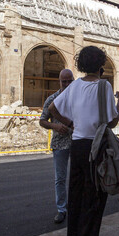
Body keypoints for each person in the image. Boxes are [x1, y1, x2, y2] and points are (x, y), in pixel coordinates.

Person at [49, 46, 119, 236]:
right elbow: (111, 122)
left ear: (81, 64)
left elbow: (53, 108)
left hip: (77, 146)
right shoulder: (104, 86)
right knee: (93, 204)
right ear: (101, 64)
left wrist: (72, 124)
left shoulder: (74, 86)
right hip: (96, 148)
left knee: (76, 201)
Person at [39, 69, 75, 224]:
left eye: (69, 81)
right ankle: (61, 209)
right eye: (63, 81)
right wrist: (55, 126)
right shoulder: (52, 99)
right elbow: (42, 120)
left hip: (77, 142)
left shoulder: (78, 99)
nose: (66, 84)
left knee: (77, 176)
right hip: (60, 143)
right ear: (59, 81)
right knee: (60, 178)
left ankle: (76, 207)